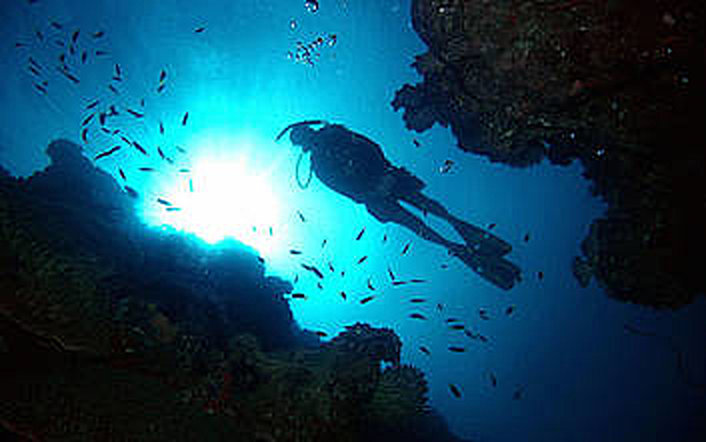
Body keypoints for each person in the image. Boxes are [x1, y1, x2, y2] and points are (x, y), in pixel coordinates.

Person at [277, 121, 521, 290]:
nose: (310, 139)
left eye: (306, 134)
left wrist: (384, 172)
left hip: (386, 179)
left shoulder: (335, 134)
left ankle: (461, 236)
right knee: (417, 224)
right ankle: (457, 246)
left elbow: (370, 147)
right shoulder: (319, 163)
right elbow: (343, 189)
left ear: (309, 130)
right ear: (303, 145)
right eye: (304, 139)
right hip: (375, 196)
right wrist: (370, 192)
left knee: (429, 209)